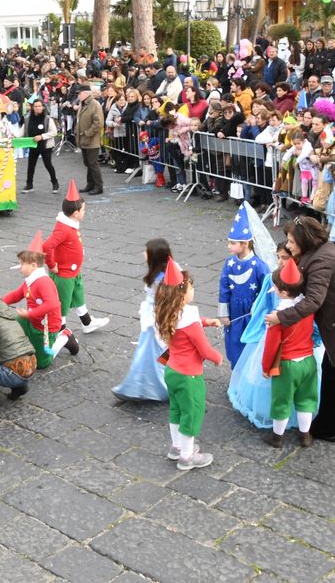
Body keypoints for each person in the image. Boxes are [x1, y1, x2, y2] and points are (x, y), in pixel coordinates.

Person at [266, 216, 335, 442]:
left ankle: (329, 429)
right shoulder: (319, 252)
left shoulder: (321, 260)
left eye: (291, 241)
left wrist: (281, 317)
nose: (288, 245)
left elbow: (313, 301)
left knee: (332, 370)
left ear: (304, 239)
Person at [156, 259, 223, 470]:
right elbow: (205, 350)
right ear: (182, 294)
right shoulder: (190, 323)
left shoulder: (168, 312)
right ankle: (187, 457)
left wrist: (206, 321)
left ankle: (176, 447)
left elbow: (187, 323)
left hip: (172, 371)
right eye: (191, 287)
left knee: (176, 410)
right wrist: (218, 358)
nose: (193, 290)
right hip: (189, 376)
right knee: (191, 414)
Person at [259, 257, 319, 448]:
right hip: (308, 361)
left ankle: (277, 437)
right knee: (306, 399)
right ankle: (305, 436)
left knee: (281, 401)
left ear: (283, 292)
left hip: (287, 364)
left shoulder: (277, 317)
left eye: (276, 288)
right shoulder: (307, 307)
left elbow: (271, 346)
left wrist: (266, 367)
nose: (274, 290)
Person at [43, 183, 108, 345]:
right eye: (83, 210)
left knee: (78, 296)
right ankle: (60, 331)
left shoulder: (69, 225)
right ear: (76, 213)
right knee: (63, 303)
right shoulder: (63, 229)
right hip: (64, 274)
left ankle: (87, 322)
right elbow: (47, 246)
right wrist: (51, 264)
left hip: (73, 271)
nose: (85, 212)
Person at [111, 238, 172, 403]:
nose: (143, 253)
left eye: (146, 251)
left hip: (156, 320)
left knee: (150, 355)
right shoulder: (164, 272)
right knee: (156, 354)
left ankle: (146, 387)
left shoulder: (161, 278)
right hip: (155, 318)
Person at [3, 232, 67, 370]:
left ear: (33, 265)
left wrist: (30, 314)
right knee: (13, 326)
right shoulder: (30, 280)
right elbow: (17, 294)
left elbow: (52, 304)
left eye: (22, 264)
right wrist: (0, 302)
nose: (20, 267)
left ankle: (64, 337)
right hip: (31, 319)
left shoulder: (43, 282)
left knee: (42, 363)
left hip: (46, 326)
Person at [218, 206, 270, 366]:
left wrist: (258, 308)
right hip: (234, 309)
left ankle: (248, 373)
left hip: (251, 311)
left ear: (245, 243)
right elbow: (224, 289)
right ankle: (236, 370)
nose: (229, 246)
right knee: (234, 342)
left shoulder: (259, 266)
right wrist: (223, 314)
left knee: (251, 343)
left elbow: (266, 290)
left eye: (232, 243)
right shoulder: (229, 263)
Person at [22, 98, 60, 193]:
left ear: (43, 107)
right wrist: (13, 136)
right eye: (35, 106)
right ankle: (29, 185)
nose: (38, 108)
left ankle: (55, 183)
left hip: (45, 146)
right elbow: (22, 131)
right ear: (32, 108)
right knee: (31, 166)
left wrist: (42, 136)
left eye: (39, 106)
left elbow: (54, 132)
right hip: (32, 145)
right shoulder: (27, 119)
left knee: (48, 164)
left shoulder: (48, 119)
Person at [76, 84, 104, 194]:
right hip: (83, 139)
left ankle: (98, 186)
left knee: (93, 164)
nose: (78, 95)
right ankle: (90, 184)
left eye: (80, 93)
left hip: (91, 140)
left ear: (86, 93)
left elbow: (98, 123)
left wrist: (87, 134)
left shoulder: (95, 105)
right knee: (88, 163)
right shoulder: (83, 104)